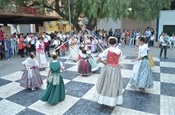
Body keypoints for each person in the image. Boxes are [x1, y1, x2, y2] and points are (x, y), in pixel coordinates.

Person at [94, 37, 123, 108]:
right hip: (116, 69)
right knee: (114, 84)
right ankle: (112, 102)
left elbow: (98, 58)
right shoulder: (119, 51)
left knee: (106, 83)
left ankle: (106, 100)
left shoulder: (107, 50)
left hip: (108, 68)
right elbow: (119, 59)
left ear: (109, 42)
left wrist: (104, 62)